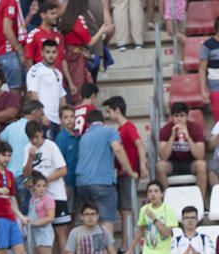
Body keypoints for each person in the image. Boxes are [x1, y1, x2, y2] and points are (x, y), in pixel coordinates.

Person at [22, 121, 70, 254]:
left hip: (55, 195)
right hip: (37, 198)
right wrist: (30, 159)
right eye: (32, 138)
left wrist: (43, 181)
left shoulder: (52, 146)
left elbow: (63, 169)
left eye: (37, 137)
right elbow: (26, 175)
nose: (35, 141)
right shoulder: (28, 148)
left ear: (41, 133)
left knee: (60, 233)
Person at [75, 109, 138, 237]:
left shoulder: (83, 137)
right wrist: (130, 171)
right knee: (106, 220)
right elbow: (117, 149)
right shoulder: (109, 131)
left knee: (90, 222)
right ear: (103, 122)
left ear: (87, 124)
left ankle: (92, 253)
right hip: (102, 183)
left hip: (82, 184)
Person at [104, 95, 147, 230]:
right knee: (124, 210)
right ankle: (125, 243)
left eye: (109, 111)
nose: (107, 114)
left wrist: (142, 166)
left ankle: (126, 244)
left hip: (129, 174)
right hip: (123, 174)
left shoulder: (128, 127)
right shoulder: (120, 129)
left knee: (126, 210)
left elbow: (140, 144)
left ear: (117, 110)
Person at [157, 101, 208, 198]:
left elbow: (200, 155)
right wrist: (172, 137)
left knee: (202, 165)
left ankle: (200, 202)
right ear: (171, 117)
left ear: (187, 116)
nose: (179, 119)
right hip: (173, 163)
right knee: (160, 166)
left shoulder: (195, 128)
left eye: (182, 115)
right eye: (176, 116)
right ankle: (165, 202)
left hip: (190, 163)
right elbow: (163, 157)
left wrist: (188, 137)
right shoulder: (165, 130)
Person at [26, 39, 66, 139]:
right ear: (42, 53)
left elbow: (62, 98)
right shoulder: (36, 69)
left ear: (57, 53)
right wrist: (42, 115)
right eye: (48, 52)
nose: (51, 55)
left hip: (57, 121)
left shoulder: (58, 73)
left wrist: (63, 118)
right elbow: (32, 94)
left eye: (53, 52)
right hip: (44, 120)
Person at [0, 0, 26, 92]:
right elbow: (7, 29)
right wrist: (19, 50)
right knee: (16, 90)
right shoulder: (10, 2)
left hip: (9, 51)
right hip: (9, 51)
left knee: (21, 89)